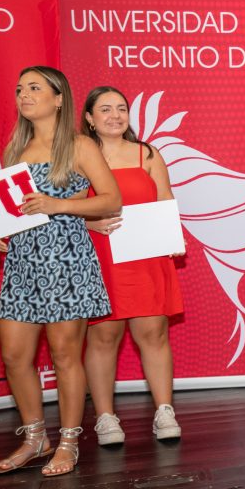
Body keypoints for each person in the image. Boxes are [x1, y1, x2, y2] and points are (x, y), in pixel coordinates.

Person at [0, 66, 120, 476]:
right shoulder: (15, 146)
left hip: (66, 259)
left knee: (66, 355)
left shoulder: (80, 145)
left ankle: (68, 440)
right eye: (19, 89)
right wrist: (1, 229)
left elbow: (110, 201)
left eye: (34, 88)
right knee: (14, 355)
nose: (24, 95)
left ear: (59, 98)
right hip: (22, 262)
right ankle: (35, 437)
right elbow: (13, 205)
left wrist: (58, 204)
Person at [80, 86, 184, 446]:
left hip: (145, 255)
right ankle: (106, 417)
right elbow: (65, 207)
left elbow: (165, 199)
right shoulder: (78, 155)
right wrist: (88, 224)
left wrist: (171, 236)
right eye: (105, 109)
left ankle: (164, 410)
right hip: (100, 255)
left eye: (121, 108)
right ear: (90, 119)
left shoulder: (148, 154)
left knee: (153, 333)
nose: (115, 115)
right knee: (103, 336)